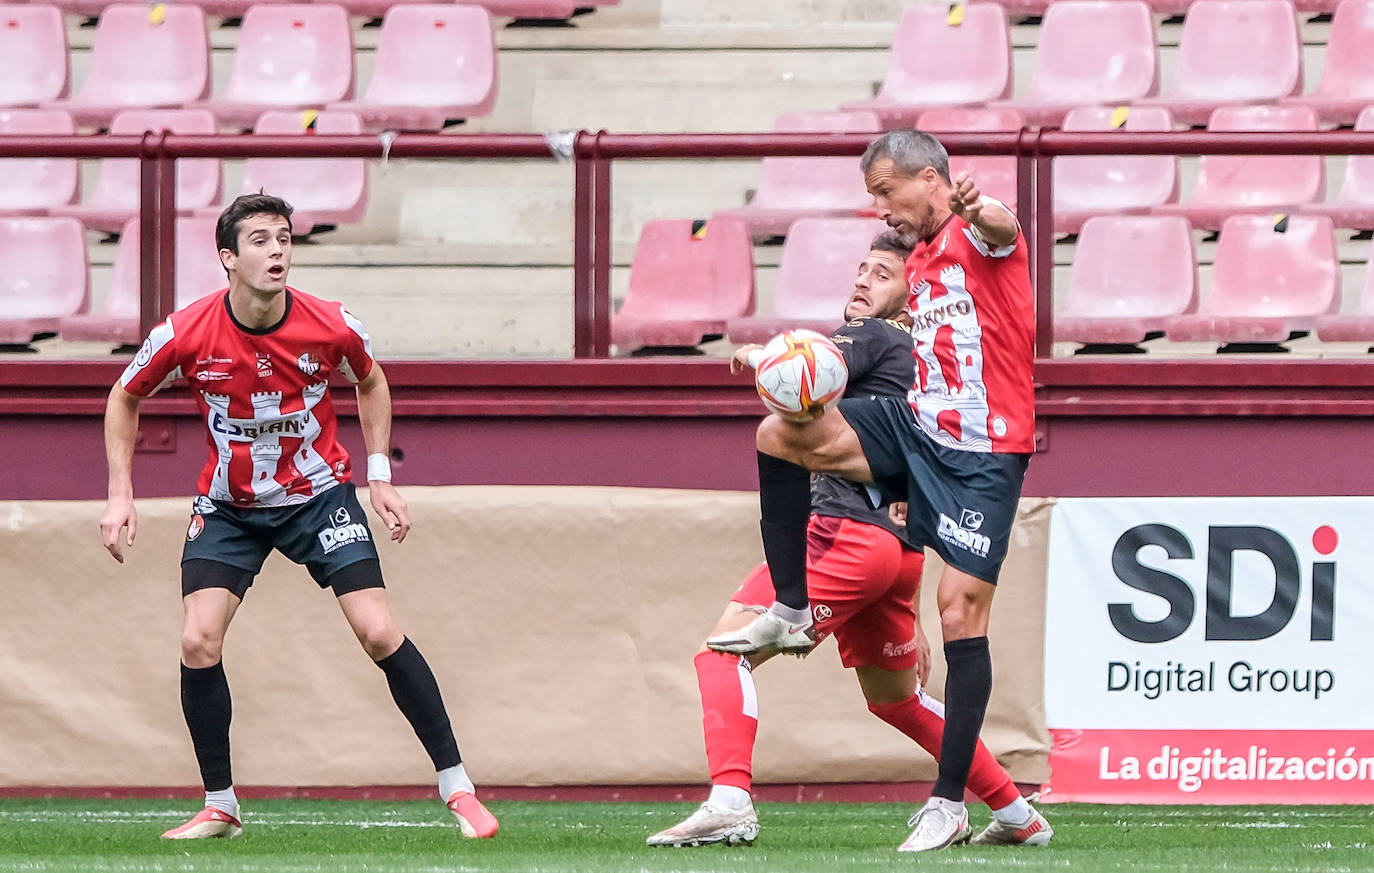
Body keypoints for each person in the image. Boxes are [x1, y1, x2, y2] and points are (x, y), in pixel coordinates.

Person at [99, 193, 498, 841]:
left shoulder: (332, 323)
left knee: (377, 631)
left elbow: (370, 379)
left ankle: (458, 786)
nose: (277, 249)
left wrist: (380, 474)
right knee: (199, 638)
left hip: (319, 498)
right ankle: (221, 803)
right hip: (229, 507)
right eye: (259, 239)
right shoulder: (186, 331)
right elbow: (125, 395)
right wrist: (120, 492)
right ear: (228, 257)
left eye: (284, 237)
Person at [650, 233, 1049, 850]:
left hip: (843, 537)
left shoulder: (876, 336)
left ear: (909, 300)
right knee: (897, 701)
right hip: (897, 554)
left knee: (720, 654)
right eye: (861, 269)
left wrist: (766, 357)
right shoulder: (925, 370)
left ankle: (730, 801)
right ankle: (1016, 813)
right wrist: (909, 608)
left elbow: (811, 367)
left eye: (883, 273)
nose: (863, 280)